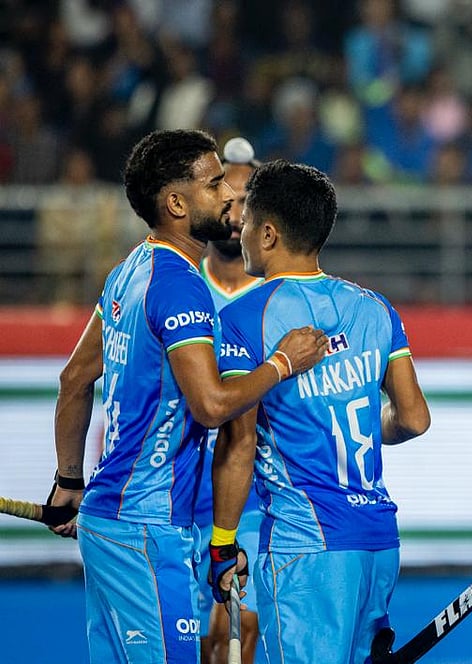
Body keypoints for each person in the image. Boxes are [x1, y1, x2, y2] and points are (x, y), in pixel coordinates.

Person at [44, 129, 328, 664]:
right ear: (176, 203)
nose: (229, 196)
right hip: (149, 531)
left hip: (108, 523)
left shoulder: (129, 271)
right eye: (215, 182)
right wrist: (282, 363)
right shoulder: (179, 284)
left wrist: (68, 482)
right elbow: (213, 406)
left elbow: (74, 381)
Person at [208, 160, 431, 664]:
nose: (238, 232)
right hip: (377, 541)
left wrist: (223, 543)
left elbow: (238, 443)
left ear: (267, 234)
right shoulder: (375, 307)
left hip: (306, 548)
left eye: (244, 223)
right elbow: (414, 418)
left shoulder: (242, 317)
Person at [195, 136, 265, 664]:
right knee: (202, 641)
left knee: (242, 627)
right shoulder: (182, 287)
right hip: (187, 497)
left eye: (247, 200)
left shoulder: (278, 297)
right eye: (228, 196)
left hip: (260, 500)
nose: (236, 212)